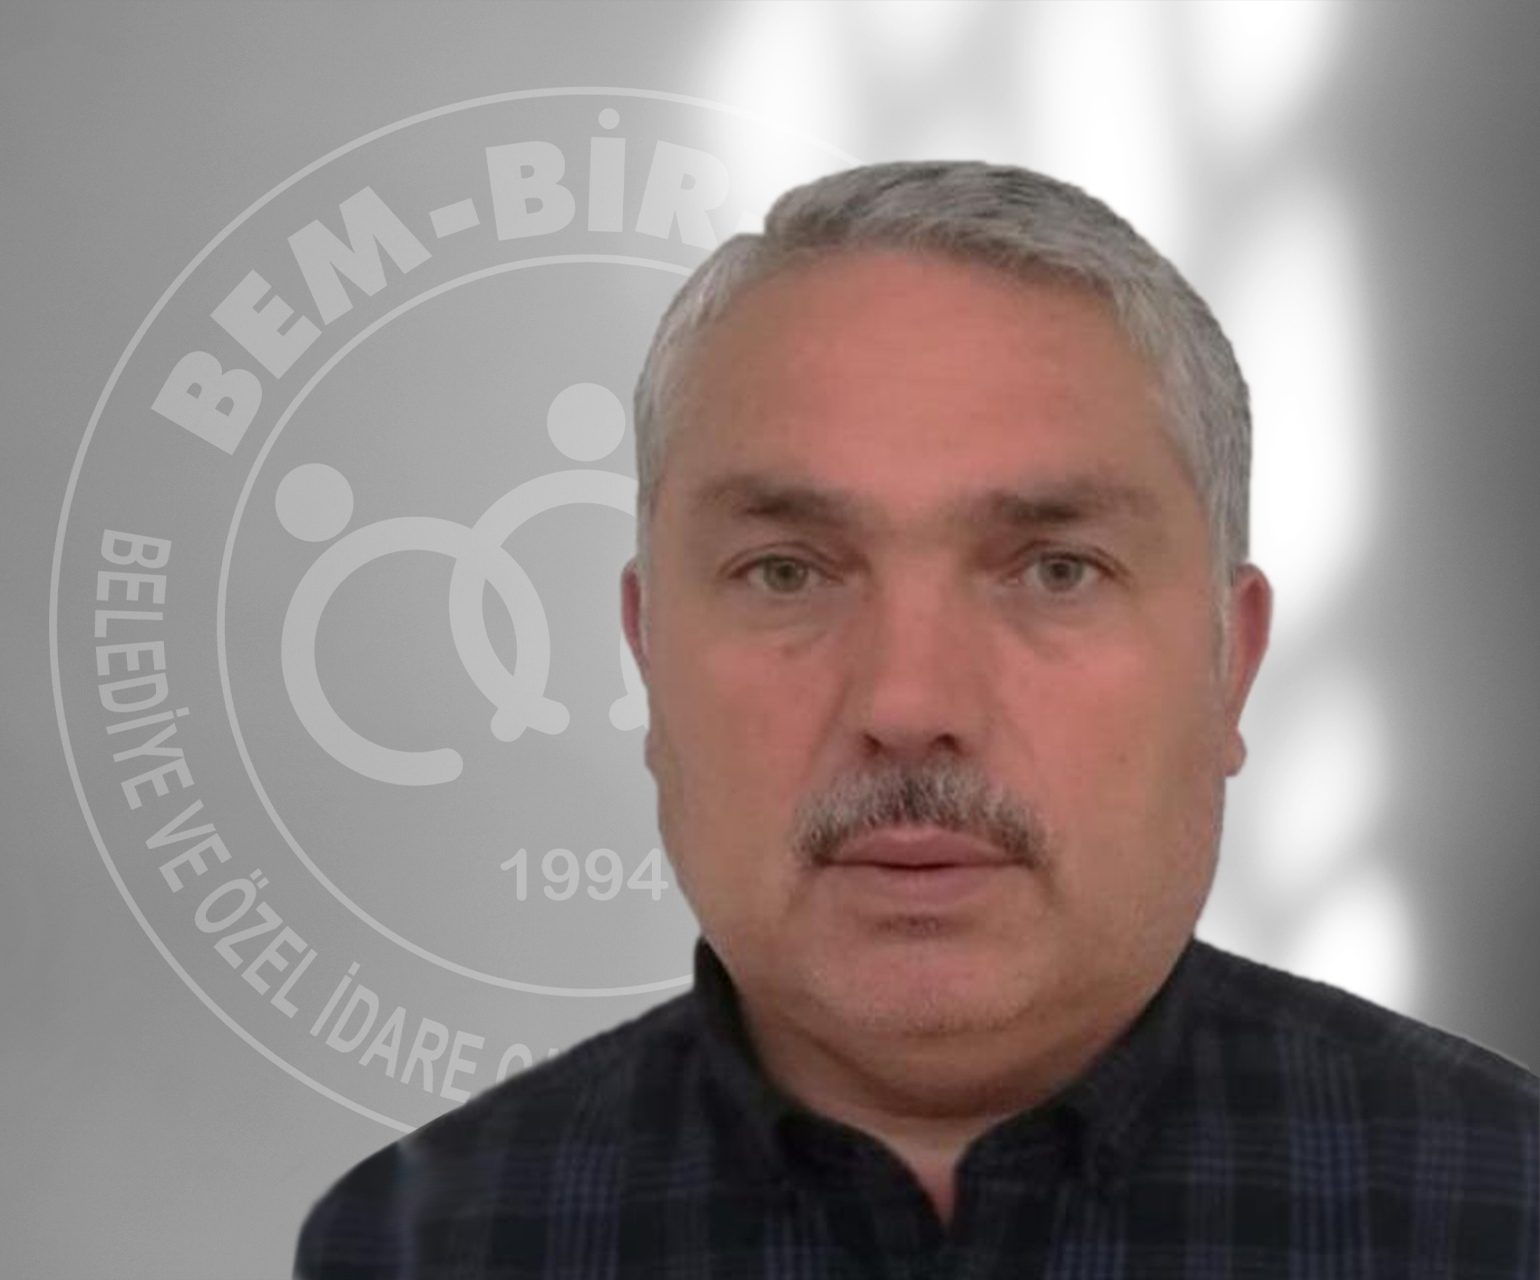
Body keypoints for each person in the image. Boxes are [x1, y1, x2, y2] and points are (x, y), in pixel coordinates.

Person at [294, 160, 1538, 1278]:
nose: (908, 703)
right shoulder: (416, 1245)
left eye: (1055, 568)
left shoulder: (1507, 1211)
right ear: (647, 651)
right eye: (787, 570)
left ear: (1231, 663)